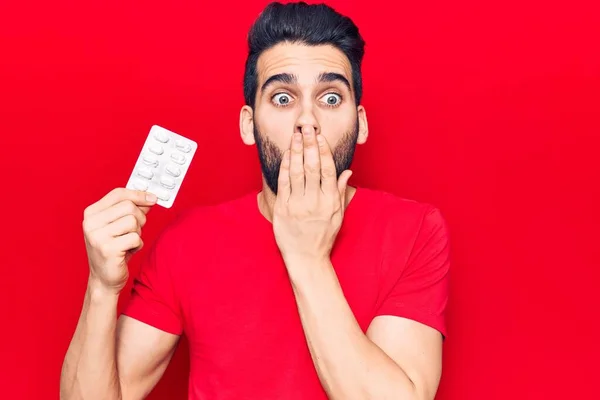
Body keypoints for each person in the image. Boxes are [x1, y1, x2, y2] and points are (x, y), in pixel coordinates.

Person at [60, 2, 451, 399]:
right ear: (249, 124)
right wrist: (102, 287)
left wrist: (307, 257)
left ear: (360, 123)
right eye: (283, 98)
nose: (307, 119)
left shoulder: (415, 230)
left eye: (330, 98)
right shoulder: (188, 242)